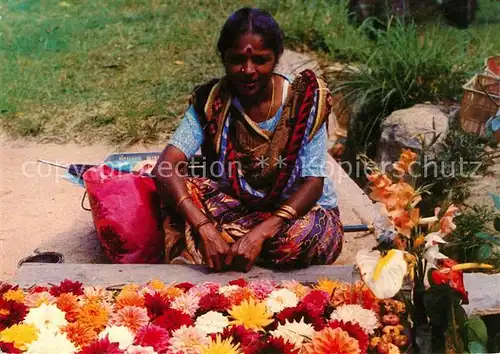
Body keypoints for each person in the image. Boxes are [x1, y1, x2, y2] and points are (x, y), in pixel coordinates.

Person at [153, 7, 343, 272]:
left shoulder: (305, 99)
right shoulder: (211, 102)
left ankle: (221, 248)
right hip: (239, 209)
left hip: (296, 217)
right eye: (237, 60)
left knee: (301, 238)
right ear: (223, 58)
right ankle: (219, 244)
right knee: (176, 190)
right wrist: (204, 227)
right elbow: (165, 167)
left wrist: (260, 234)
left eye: (261, 60)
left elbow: (313, 185)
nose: (248, 70)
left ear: (276, 58)